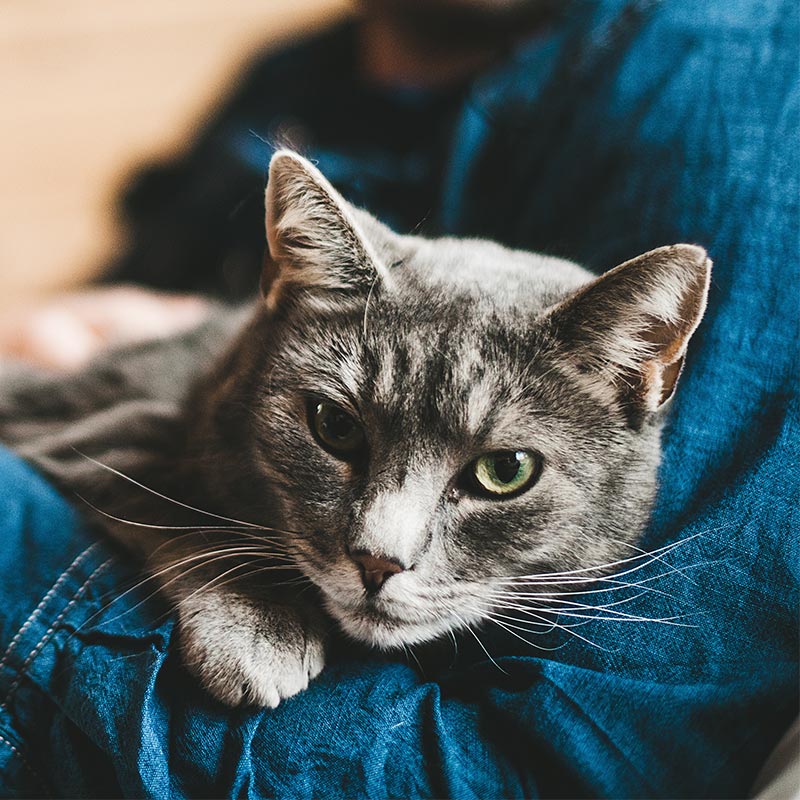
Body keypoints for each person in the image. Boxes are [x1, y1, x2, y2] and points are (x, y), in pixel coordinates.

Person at [0, 0, 797, 796]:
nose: (383, 543)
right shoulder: (296, 72)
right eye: (338, 428)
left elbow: (538, 768)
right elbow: (71, 396)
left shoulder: (723, 84)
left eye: (502, 470)